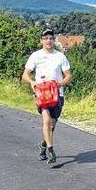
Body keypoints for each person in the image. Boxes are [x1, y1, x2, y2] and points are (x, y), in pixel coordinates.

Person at [22, 29, 72, 164]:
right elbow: (25, 75)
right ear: (41, 40)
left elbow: (68, 75)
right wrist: (32, 82)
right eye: (46, 38)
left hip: (57, 94)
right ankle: (51, 151)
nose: (48, 41)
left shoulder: (60, 56)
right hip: (42, 94)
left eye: (51, 38)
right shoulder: (35, 56)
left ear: (53, 40)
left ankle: (44, 145)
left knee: (52, 124)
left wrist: (61, 83)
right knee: (46, 121)